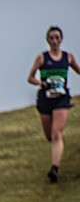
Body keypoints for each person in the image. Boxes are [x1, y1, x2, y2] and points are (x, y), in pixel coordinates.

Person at [27, 26, 80, 183]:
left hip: (61, 99)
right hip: (45, 99)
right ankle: (57, 150)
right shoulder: (42, 58)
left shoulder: (68, 57)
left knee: (57, 133)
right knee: (50, 136)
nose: (55, 41)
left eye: (57, 37)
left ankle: (54, 168)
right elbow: (30, 77)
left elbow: (78, 70)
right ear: (47, 40)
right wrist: (40, 82)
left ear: (61, 39)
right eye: (52, 38)